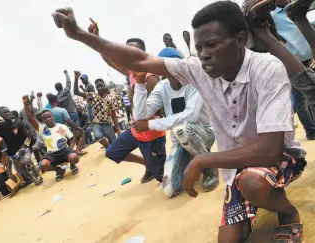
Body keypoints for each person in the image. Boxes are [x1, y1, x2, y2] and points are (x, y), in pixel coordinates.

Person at [51, 2, 307, 242]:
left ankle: (286, 213)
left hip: (280, 159)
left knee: (254, 182)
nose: (204, 55)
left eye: (212, 45)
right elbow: (138, 60)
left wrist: (203, 159)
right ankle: (255, 198)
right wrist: (81, 35)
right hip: (236, 167)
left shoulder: (267, 69)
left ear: (240, 40)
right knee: (229, 237)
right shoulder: (197, 70)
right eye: (199, 48)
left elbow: (269, 151)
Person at [86, 19, 166, 183]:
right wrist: (96, 38)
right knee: (112, 152)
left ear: (142, 53)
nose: (128, 54)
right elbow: (109, 60)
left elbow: (159, 111)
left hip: (151, 134)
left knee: (165, 180)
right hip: (136, 131)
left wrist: (133, 98)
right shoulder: (130, 72)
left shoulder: (150, 78)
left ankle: (163, 166)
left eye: (133, 50)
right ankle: (148, 164)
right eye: (126, 50)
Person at [132, 47, 219, 197]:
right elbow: (141, 114)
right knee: (170, 189)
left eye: (176, 64)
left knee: (182, 129)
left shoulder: (194, 82)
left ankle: (209, 167)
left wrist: (150, 125)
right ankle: (193, 157)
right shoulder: (161, 87)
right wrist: (140, 83)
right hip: (181, 140)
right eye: (167, 65)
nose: (173, 69)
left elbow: (190, 116)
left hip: (205, 132)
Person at [243, 0, 315, 121]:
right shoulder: (275, 14)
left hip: (301, 56)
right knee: (303, 96)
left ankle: (262, 29)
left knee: (310, 90)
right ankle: (298, 18)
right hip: (292, 56)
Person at [266, 0, 315, 140]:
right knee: (300, 98)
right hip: (292, 59)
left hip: (307, 54)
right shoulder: (273, 16)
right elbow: (274, 36)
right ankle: (311, 130)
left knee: (311, 91)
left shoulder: (293, 7)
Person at [22, 95, 80, 181]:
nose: (48, 119)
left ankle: (72, 165)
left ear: (52, 117)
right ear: (43, 121)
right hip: (52, 154)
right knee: (42, 165)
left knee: (74, 157)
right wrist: (26, 104)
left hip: (65, 150)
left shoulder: (62, 127)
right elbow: (30, 118)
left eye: (49, 117)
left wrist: (71, 149)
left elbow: (72, 138)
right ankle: (59, 170)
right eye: (45, 118)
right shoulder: (42, 129)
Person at [0, 106, 42, 186]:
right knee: (21, 171)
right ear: (1, 115)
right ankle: (29, 179)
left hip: (24, 149)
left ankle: (37, 177)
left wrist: (23, 147)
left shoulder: (18, 122)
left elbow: (28, 137)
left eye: (8, 111)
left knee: (26, 160)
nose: (8, 113)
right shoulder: (0, 126)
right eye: (5, 113)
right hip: (13, 154)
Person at [74, 71, 121, 148]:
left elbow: (114, 116)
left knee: (115, 144)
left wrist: (118, 129)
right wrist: (76, 78)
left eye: (101, 85)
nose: (99, 88)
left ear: (104, 85)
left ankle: (110, 146)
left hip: (107, 124)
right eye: (97, 86)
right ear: (95, 88)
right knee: (98, 136)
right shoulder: (92, 96)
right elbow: (76, 92)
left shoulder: (110, 98)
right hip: (97, 124)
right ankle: (107, 146)